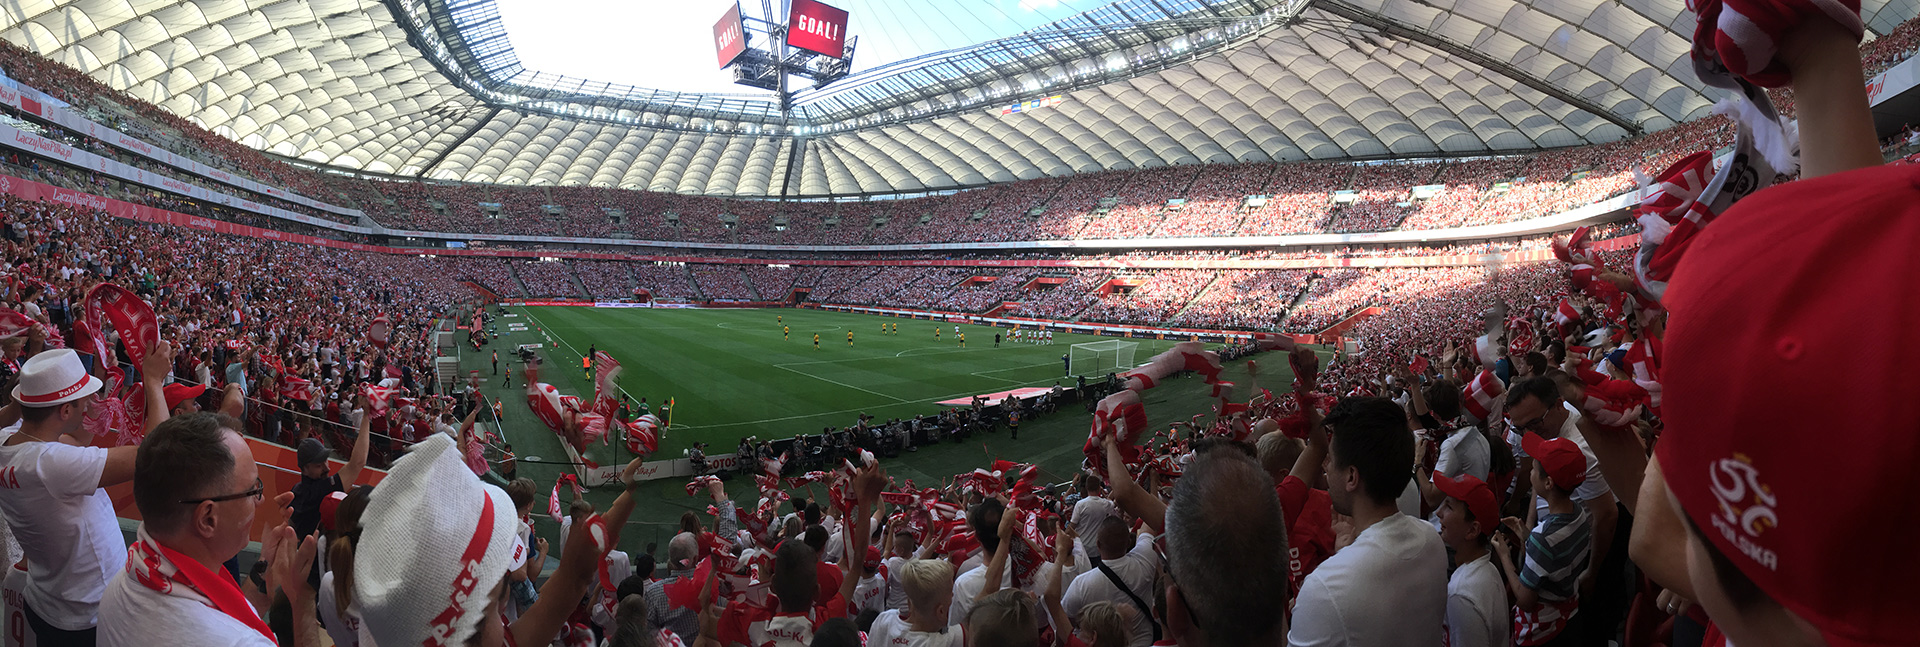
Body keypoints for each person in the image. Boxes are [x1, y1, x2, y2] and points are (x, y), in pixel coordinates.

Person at [99, 412, 318, 647]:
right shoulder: (237, 642)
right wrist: (302, 602)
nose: (261, 500)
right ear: (208, 519)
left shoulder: (126, 579)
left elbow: (225, 616)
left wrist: (264, 568)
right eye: (252, 490)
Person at [0, 347, 156, 646]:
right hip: (88, 618)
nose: (88, 404)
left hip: (50, 602)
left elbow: (74, 440)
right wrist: (153, 382)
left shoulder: (12, 444)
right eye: (81, 401)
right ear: (65, 411)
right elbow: (157, 454)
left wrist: (38, 394)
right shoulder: (49, 464)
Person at [1288, 397, 1447, 647]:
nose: (1326, 468)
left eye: (1330, 459)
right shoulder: (1431, 540)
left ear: (1352, 476)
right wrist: (1345, 555)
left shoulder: (1324, 589)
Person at [1493, 433, 1591, 646]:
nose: (1530, 474)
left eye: (1534, 470)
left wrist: (1505, 557)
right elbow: (1555, 563)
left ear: (1548, 483)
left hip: (1544, 631)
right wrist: (1526, 536)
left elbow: (1526, 601)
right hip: (1570, 617)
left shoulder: (1543, 538)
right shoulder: (1580, 515)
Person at [1432, 473, 1509, 647]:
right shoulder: (1488, 568)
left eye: (1449, 507)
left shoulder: (1462, 595)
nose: (1438, 512)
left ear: (1472, 530)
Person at [1061, 517, 1159, 647]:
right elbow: (1151, 520)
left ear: (1098, 544)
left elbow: (1065, 620)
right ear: (1128, 542)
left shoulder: (1081, 585)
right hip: (1146, 642)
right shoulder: (1145, 561)